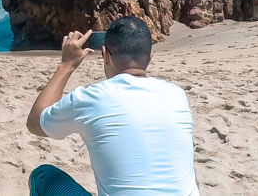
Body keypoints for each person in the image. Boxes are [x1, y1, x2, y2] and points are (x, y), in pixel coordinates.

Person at [25, 16, 199, 196]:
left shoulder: (90, 99)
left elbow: (35, 123)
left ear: (105, 54)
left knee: (43, 175)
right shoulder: (176, 94)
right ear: (150, 57)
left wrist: (67, 65)